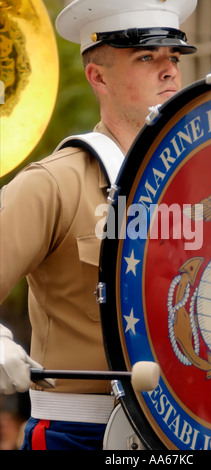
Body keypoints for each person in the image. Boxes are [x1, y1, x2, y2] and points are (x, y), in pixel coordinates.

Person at [0, 0, 197, 450]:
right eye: (147, 57)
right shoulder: (53, 183)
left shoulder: (195, 186)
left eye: (173, 58)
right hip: (81, 436)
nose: (168, 71)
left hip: (183, 435)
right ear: (98, 77)